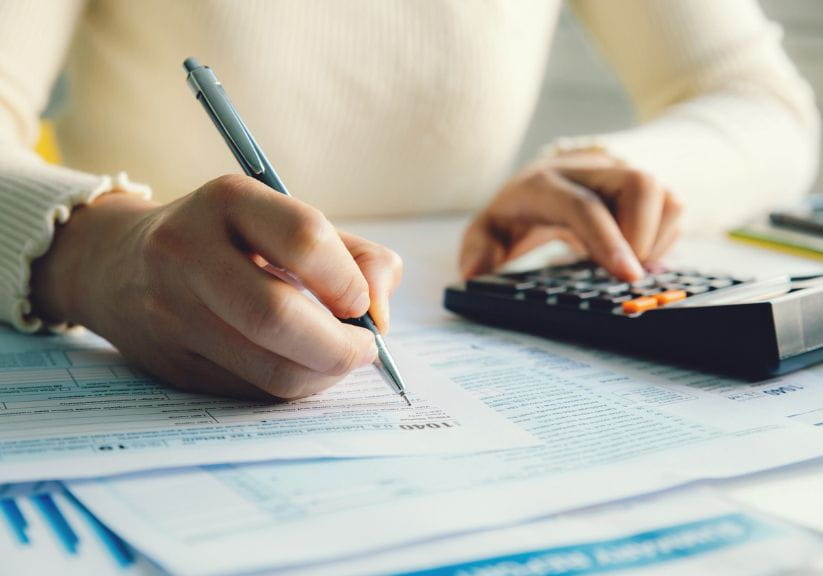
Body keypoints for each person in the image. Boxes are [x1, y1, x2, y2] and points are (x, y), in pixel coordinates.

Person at [0, 1, 818, 399]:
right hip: (118, 343)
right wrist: (95, 253)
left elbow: (761, 102)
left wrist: (613, 170)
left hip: (454, 306)